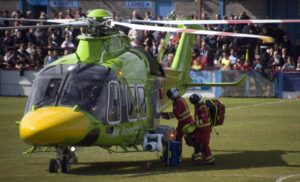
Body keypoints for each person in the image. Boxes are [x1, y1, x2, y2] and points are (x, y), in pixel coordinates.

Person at [188, 94, 215, 164]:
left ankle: (208, 160)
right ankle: (205, 159)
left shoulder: (202, 108)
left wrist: (194, 123)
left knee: (204, 144)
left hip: (205, 129)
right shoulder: (198, 107)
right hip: (201, 129)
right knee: (199, 143)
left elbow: (204, 120)